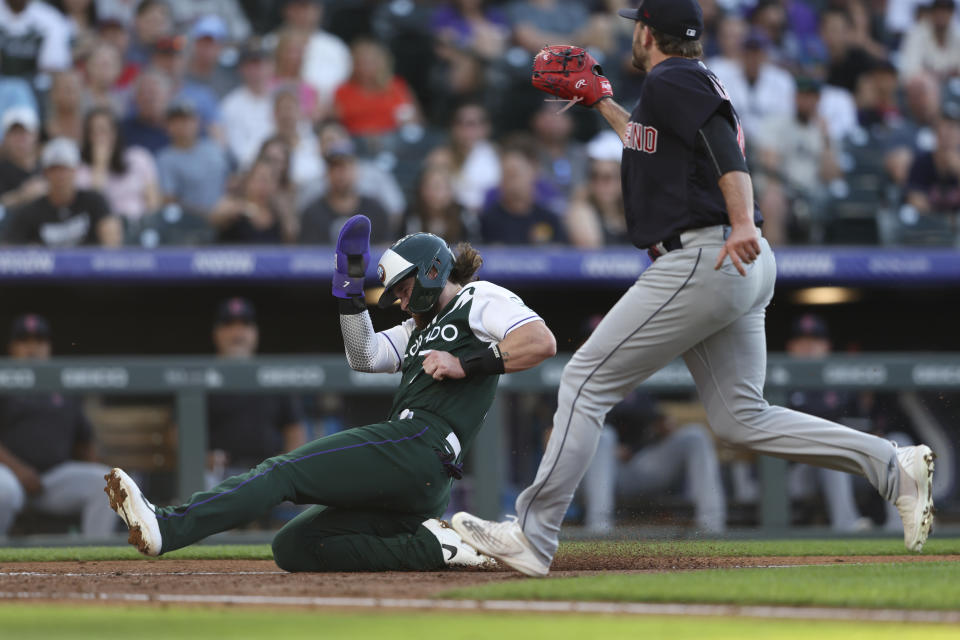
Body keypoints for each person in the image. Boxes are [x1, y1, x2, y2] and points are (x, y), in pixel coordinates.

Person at [451, 0, 936, 577]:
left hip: (706, 252)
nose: (633, 34)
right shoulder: (681, 82)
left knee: (584, 381)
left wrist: (742, 221)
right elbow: (646, 143)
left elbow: (722, 151)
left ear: (651, 34)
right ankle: (892, 465)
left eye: (638, 26)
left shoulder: (673, 77)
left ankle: (533, 537)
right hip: (730, 260)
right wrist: (602, 99)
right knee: (739, 417)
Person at [104, 222, 557, 572]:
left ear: (431, 271)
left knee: (281, 472)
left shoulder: (477, 297)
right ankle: (432, 546)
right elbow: (364, 355)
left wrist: (466, 364)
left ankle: (169, 525)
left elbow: (540, 342)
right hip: (420, 476)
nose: (400, 301)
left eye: (403, 289)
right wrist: (348, 294)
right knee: (295, 546)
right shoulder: (418, 327)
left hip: (419, 443)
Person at [0, 314, 116, 538]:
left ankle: (97, 563)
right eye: (24, 341)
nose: (32, 348)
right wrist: (19, 470)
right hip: (9, 475)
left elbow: (84, 442)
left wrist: (98, 467)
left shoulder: (62, 383)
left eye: (39, 341)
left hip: (52, 480)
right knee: (3, 491)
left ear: (49, 347)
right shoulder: (4, 381)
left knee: (108, 485)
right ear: (12, 348)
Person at [582, 390, 726, 534]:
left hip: (641, 465)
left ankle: (712, 527)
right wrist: (614, 450)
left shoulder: (642, 393)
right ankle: (599, 528)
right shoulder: (584, 388)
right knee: (604, 436)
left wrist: (663, 431)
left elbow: (654, 426)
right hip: (599, 471)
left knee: (696, 436)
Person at [204, 297, 306, 488]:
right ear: (216, 333)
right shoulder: (203, 376)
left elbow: (295, 432)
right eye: (229, 325)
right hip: (220, 474)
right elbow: (179, 432)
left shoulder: (274, 375)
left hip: (269, 472)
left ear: (255, 333)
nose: (237, 334)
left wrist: (284, 466)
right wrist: (201, 458)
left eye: (244, 325)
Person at [3, 137, 122, 246]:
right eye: (54, 169)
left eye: (65, 168)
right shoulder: (30, 212)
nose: (60, 175)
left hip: (89, 268)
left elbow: (112, 242)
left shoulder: (94, 201)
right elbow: (9, 251)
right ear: (45, 173)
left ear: (75, 170)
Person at [76, 107, 161, 224]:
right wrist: (99, 166)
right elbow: (93, 209)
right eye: (93, 132)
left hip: (140, 227)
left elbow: (153, 202)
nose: (99, 137)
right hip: (106, 231)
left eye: (104, 131)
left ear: (115, 133)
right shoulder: (81, 171)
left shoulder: (139, 157)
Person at [298, 140, 391, 245]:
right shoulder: (312, 213)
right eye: (334, 167)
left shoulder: (375, 211)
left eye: (345, 167)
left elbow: (385, 252)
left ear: (356, 170)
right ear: (327, 173)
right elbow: (306, 255)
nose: (340, 173)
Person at [155, 99, 230, 217]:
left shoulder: (213, 148)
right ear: (168, 126)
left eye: (189, 119)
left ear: (198, 122)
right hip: (191, 224)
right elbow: (169, 201)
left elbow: (231, 180)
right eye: (177, 121)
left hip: (227, 216)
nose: (185, 125)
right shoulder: (165, 159)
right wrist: (210, 214)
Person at [0, 106, 45, 211]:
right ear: (6, 138)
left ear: (35, 135)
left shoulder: (48, 165)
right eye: (14, 133)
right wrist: (22, 195)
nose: (20, 139)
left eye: (24, 132)